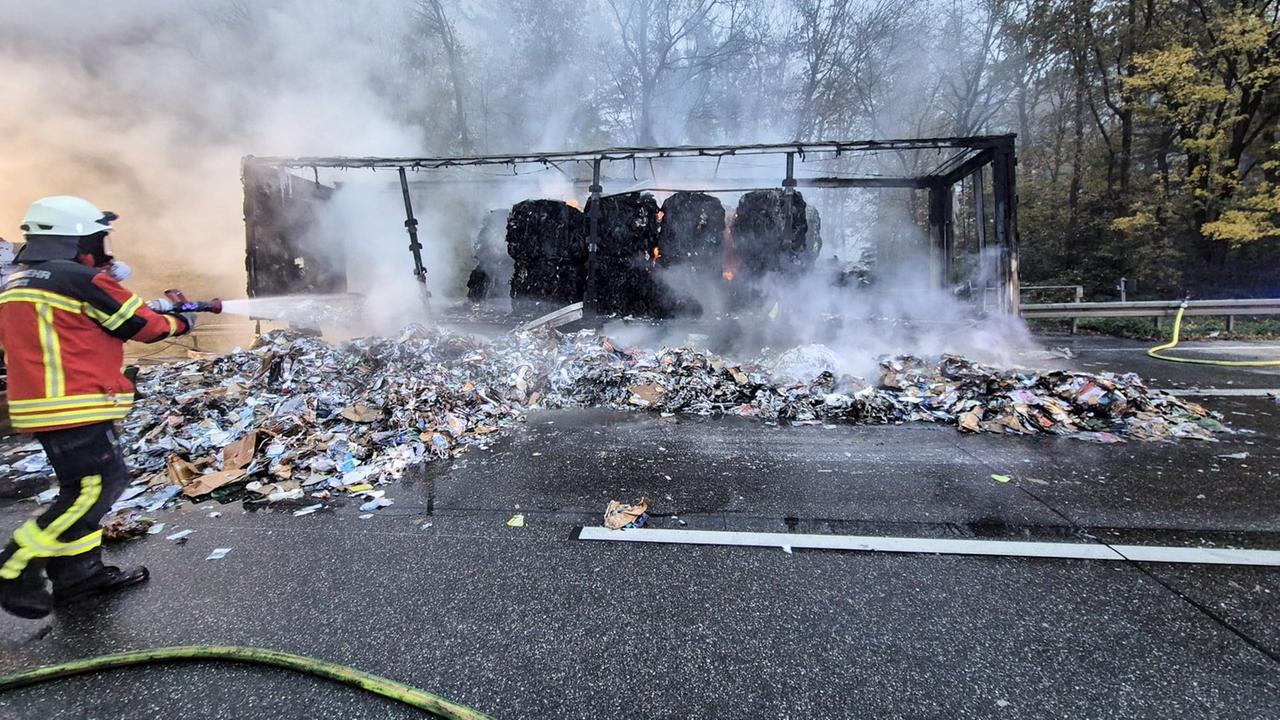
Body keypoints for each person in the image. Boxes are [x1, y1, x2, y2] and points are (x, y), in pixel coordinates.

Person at [0, 196, 195, 619]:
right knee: (95, 489)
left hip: (45, 403)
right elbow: (145, 326)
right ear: (78, 238)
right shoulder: (79, 278)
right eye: (97, 237)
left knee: (83, 489)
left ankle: (79, 579)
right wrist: (184, 319)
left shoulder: (23, 279)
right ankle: (14, 567)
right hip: (75, 403)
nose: (101, 247)